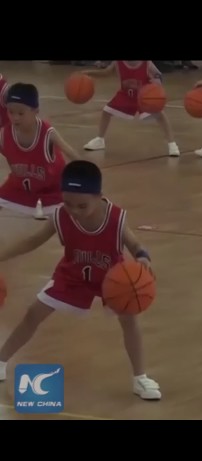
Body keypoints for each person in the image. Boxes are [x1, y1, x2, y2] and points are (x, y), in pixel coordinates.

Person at [0, 160, 161, 400]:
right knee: (33, 314)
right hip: (72, 275)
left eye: (82, 205)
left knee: (130, 323)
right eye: (68, 203)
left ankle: (140, 378)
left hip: (112, 278)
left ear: (99, 196)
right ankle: (2, 360)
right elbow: (32, 241)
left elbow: (135, 244)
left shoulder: (116, 218)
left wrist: (143, 257)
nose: (74, 210)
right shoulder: (60, 217)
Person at [0, 83, 78, 219]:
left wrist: (86, 176)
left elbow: (71, 152)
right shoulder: (4, 133)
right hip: (19, 187)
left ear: (36, 111)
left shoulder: (47, 133)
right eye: (10, 112)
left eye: (21, 113)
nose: (15, 117)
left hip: (53, 189)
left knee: (72, 218)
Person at [81, 61, 180, 157]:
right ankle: (99, 140)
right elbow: (106, 72)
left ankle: (172, 144)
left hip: (144, 96)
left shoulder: (146, 63)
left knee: (160, 115)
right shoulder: (118, 62)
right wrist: (89, 73)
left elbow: (158, 74)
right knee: (106, 111)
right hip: (126, 95)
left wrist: (157, 82)